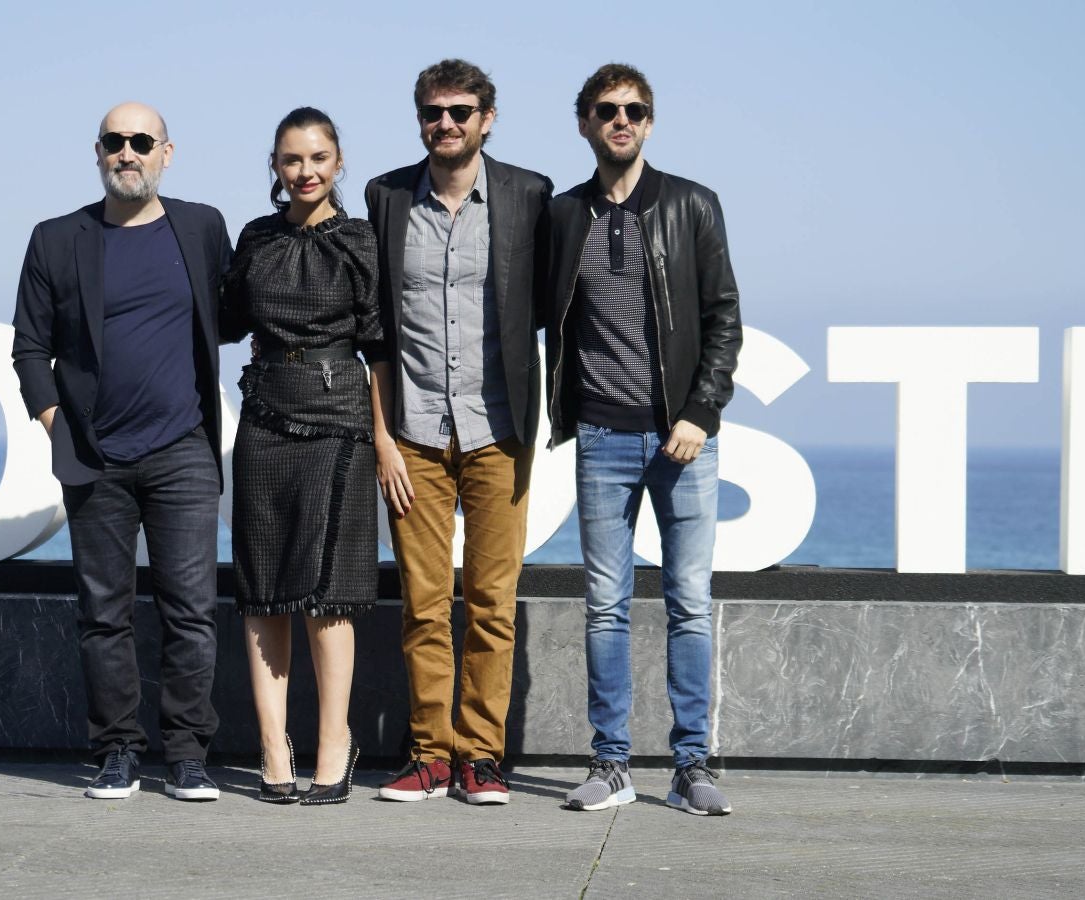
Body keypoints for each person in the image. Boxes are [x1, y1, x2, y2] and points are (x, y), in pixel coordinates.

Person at [10, 102, 233, 803]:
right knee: (102, 613)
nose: (127, 152)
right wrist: (56, 423)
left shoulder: (201, 228)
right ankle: (115, 752)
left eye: (141, 141)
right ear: (98, 151)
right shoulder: (56, 239)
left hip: (183, 450)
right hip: (94, 459)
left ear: (167, 152)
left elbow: (235, 316)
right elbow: (28, 347)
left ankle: (189, 756)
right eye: (115, 141)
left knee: (190, 609)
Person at [545, 64, 743, 816]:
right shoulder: (565, 217)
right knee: (605, 605)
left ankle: (691, 766)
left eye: (633, 110)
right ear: (584, 123)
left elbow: (723, 318)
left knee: (689, 601)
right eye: (605, 110)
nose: (619, 120)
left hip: (682, 440)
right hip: (600, 437)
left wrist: (699, 412)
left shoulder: (692, 205)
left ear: (649, 123)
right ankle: (612, 765)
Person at [366, 59, 552, 805]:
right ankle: (428, 755)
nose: (447, 123)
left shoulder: (526, 196)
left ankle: (480, 758)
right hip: (411, 435)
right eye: (433, 112)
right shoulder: (384, 198)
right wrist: (381, 437)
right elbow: (372, 331)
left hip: (498, 431)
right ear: (419, 119)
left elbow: (556, 305)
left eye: (461, 111)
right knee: (421, 603)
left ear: (488, 118)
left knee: (490, 603)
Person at [220, 107, 384, 807]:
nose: (305, 171)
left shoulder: (360, 241)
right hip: (261, 419)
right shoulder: (255, 237)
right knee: (262, 595)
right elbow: (224, 320)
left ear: (338, 163)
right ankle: (270, 748)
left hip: (339, 418)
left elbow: (379, 348)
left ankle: (332, 745)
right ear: (275, 168)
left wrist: (385, 439)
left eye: (317, 158)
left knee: (328, 595)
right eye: (291, 159)